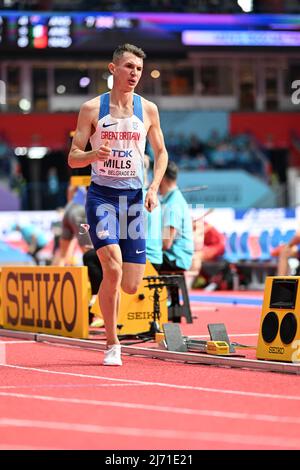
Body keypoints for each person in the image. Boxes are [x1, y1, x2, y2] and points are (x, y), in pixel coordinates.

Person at [68, 43, 168, 366]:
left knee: (129, 284)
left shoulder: (148, 110)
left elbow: (161, 153)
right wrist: (93, 155)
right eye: (128, 67)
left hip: (135, 201)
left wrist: (153, 187)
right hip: (102, 198)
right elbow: (72, 157)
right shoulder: (92, 109)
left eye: (138, 69)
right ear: (113, 69)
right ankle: (113, 343)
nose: (134, 74)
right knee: (111, 266)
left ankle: (105, 304)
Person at [158, 161, 194, 310]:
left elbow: (166, 243)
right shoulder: (172, 200)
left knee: (136, 261)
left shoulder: (173, 204)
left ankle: (153, 307)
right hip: (175, 255)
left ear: (163, 178)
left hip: (176, 258)